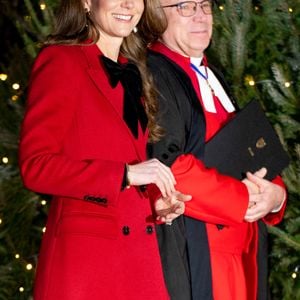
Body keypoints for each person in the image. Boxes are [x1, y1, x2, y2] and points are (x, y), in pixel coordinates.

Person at [18, 0, 190, 299]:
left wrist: (155, 202)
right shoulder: (61, 60)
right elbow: (36, 167)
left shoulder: (133, 70)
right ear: (87, 2)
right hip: (87, 266)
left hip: (139, 261)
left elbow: (124, 160)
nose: (128, 4)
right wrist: (125, 175)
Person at [140, 0, 287, 299]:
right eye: (184, 6)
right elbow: (170, 168)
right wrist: (243, 198)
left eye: (204, 5)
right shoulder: (154, 74)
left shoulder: (213, 75)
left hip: (242, 256)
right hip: (202, 254)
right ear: (157, 14)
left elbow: (248, 149)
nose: (200, 16)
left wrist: (275, 196)